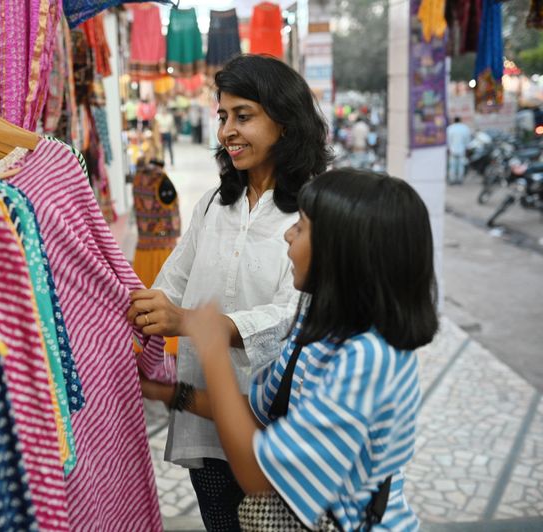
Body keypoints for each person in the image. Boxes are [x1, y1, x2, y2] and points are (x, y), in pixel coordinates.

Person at [143, 168, 438, 530]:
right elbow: (259, 416)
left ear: (340, 253)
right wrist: (169, 392)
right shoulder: (314, 325)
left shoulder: (369, 358)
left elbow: (259, 474)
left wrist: (213, 345)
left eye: (300, 227)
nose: (287, 234)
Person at [127, 54, 332, 531]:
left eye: (243, 116)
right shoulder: (216, 205)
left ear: (284, 122)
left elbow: (294, 316)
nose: (226, 131)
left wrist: (194, 323)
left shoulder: (314, 210)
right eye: (223, 117)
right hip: (207, 418)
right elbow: (171, 282)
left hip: (276, 433)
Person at [446, 116, 471, 184]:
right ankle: (460, 180)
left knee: (452, 166)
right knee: (460, 165)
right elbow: (467, 140)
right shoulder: (465, 128)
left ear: (454, 120)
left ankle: (452, 180)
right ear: (460, 120)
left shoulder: (450, 128)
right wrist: (467, 148)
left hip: (452, 150)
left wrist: (448, 149)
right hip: (461, 150)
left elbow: (448, 140)